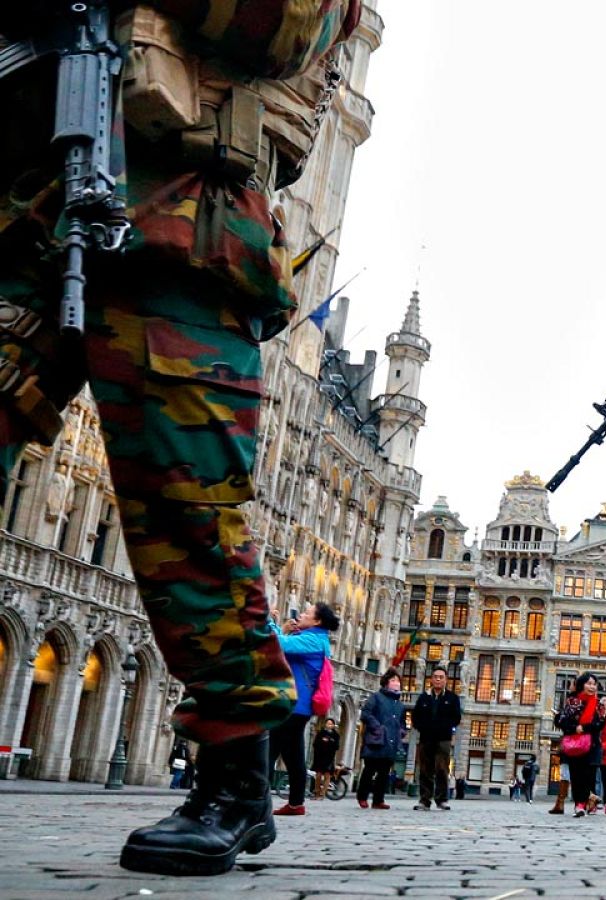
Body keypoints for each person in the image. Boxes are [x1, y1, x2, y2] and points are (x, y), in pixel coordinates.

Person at [0, 1, 359, 875]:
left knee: (189, 516)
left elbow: (287, 26)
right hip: (32, 208)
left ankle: (236, 779)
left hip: (176, 225)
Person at [266, 603, 337, 816]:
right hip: (299, 707)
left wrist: (270, 623)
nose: (303, 615)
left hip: (292, 704)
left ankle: (256, 800)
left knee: (268, 751)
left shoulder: (313, 640)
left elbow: (277, 644)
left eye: (307, 613)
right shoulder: (316, 638)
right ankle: (296, 802)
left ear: (317, 621)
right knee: (294, 755)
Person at [411, 666, 462, 812]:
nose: (438, 679)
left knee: (442, 769)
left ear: (446, 680)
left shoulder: (452, 698)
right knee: (425, 770)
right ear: (431, 679)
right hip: (426, 738)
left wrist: (445, 727)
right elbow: (415, 717)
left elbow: (457, 717)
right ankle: (424, 800)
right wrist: (422, 727)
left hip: (443, 739)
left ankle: (442, 800)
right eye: (435, 676)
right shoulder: (423, 697)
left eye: (441, 677)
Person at [556, 673, 604, 818]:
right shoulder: (572, 701)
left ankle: (584, 803)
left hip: (592, 745)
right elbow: (562, 721)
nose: (592, 686)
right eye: (589, 683)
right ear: (582, 684)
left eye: (594, 684)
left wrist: (584, 728)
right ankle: (579, 806)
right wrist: (574, 728)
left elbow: (601, 723)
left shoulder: (598, 704)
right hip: (575, 744)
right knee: (576, 776)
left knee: (588, 776)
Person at [356, 670, 406, 812]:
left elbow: (402, 722)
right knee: (369, 770)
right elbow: (366, 713)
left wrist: (401, 732)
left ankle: (379, 800)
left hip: (391, 742)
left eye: (398, 681)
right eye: (393, 680)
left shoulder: (400, 704)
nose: (396, 683)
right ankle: (362, 796)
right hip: (376, 740)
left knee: (384, 773)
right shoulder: (376, 697)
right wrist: (377, 727)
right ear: (386, 683)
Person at [311, 721, 340, 800]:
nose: (329, 725)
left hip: (329, 758)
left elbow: (337, 746)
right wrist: (322, 741)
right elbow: (315, 744)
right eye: (328, 723)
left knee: (327, 776)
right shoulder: (321, 733)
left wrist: (329, 740)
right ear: (325, 724)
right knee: (318, 775)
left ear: (333, 725)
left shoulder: (336, 735)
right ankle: (316, 793)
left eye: (331, 724)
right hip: (320, 757)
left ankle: (322, 794)